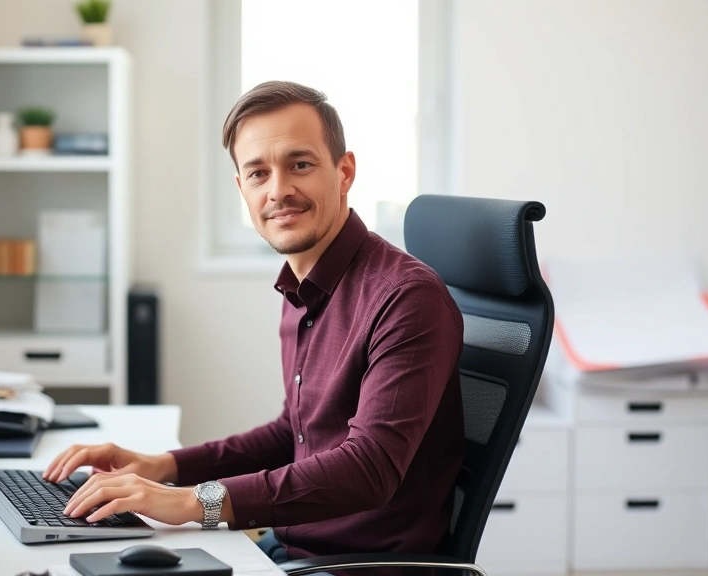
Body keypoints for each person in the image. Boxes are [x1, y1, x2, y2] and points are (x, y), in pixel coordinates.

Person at [44, 80, 465, 562]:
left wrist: (189, 502)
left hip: (356, 568)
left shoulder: (406, 297)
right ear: (241, 188)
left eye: (300, 165)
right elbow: (295, 432)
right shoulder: (301, 286)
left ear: (344, 171)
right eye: (258, 173)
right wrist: (162, 466)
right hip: (289, 546)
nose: (279, 190)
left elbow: (368, 469)